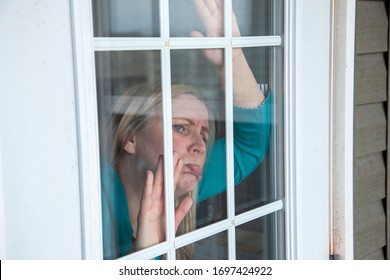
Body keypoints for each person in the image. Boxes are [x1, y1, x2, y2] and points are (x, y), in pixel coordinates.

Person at [100, 0, 271, 259]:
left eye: (204, 134)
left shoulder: (184, 179)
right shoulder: (92, 199)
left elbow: (250, 145)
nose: (200, 147)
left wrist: (232, 58)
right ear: (131, 138)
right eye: (180, 127)